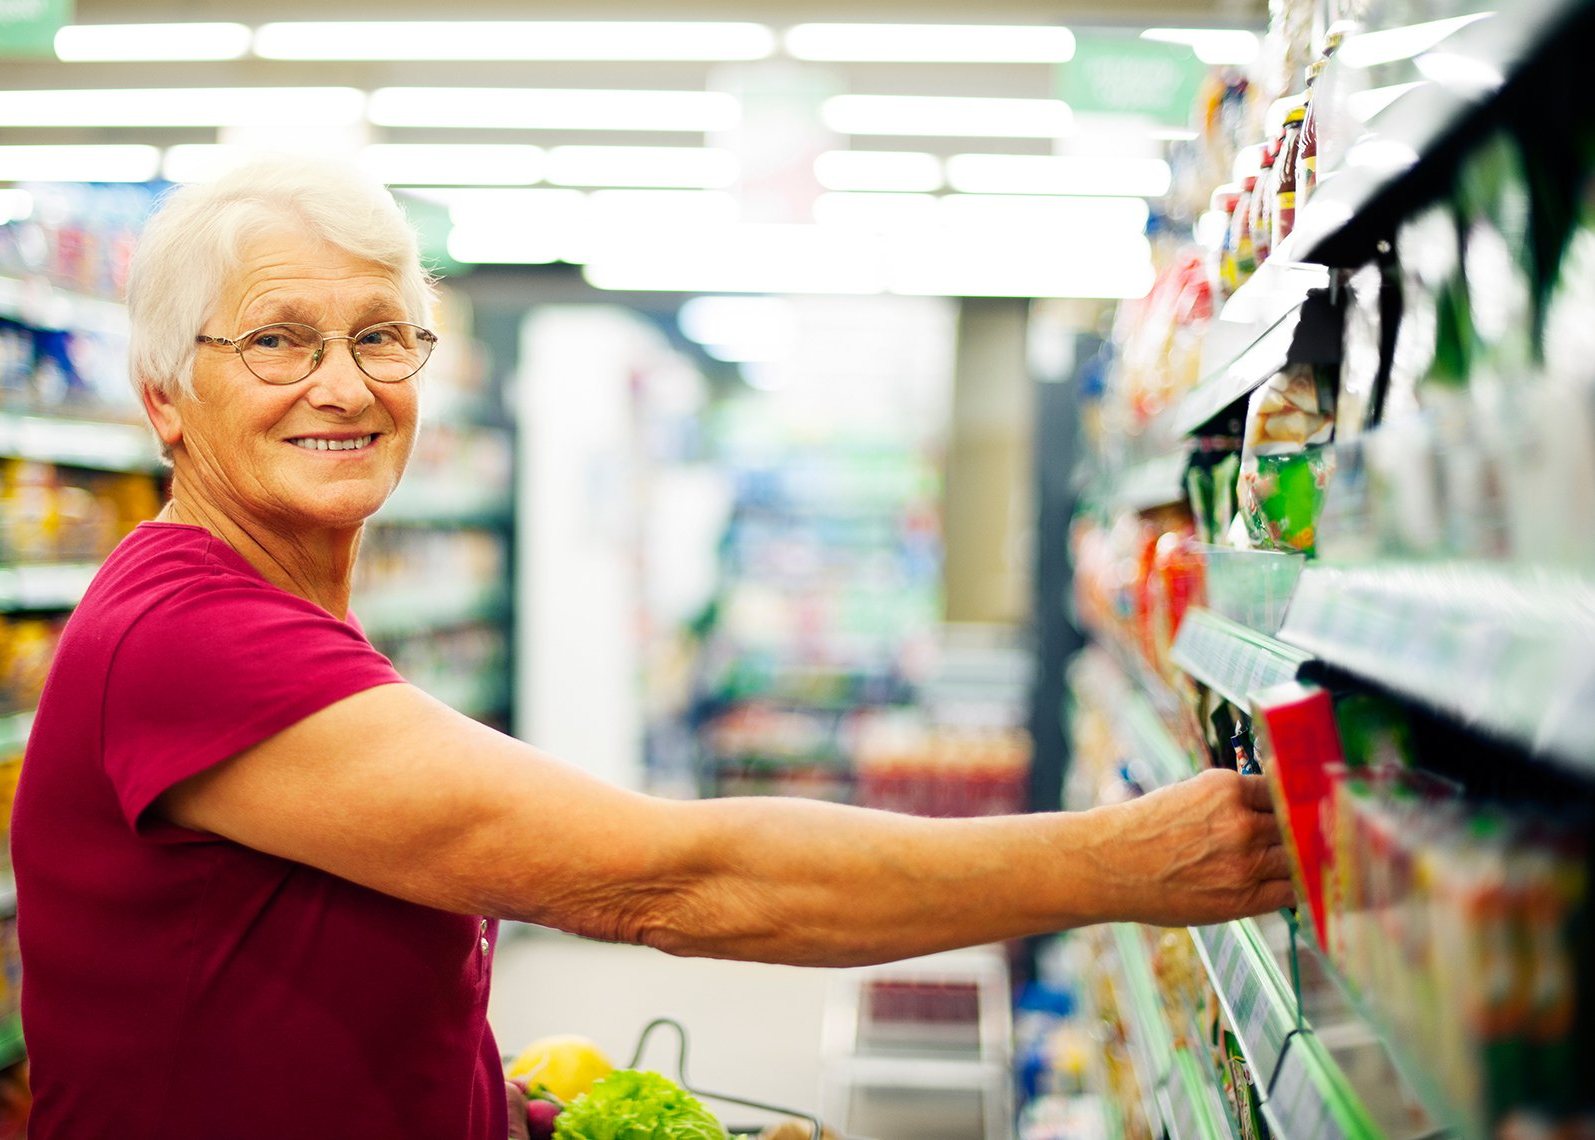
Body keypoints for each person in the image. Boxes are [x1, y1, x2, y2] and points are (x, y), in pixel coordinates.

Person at [9, 158, 1293, 1140]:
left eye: (381, 334)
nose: (342, 385)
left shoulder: (267, 611)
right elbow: (669, 882)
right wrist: (1121, 860)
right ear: (164, 395)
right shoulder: (189, 637)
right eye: (276, 340)